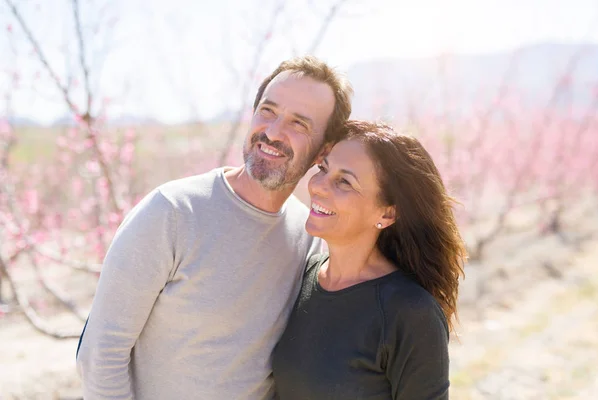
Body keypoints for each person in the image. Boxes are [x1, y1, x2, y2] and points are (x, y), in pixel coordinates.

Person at [76, 56, 353, 400]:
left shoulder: (309, 238)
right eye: (267, 110)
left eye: (299, 123)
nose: (272, 132)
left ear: (323, 152)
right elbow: (100, 356)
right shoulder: (172, 212)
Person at [272, 120, 467, 400]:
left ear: (386, 214)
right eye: (323, 169)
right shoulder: (303, 276)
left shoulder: (410, 312)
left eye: (344, 182)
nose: (318, 186)